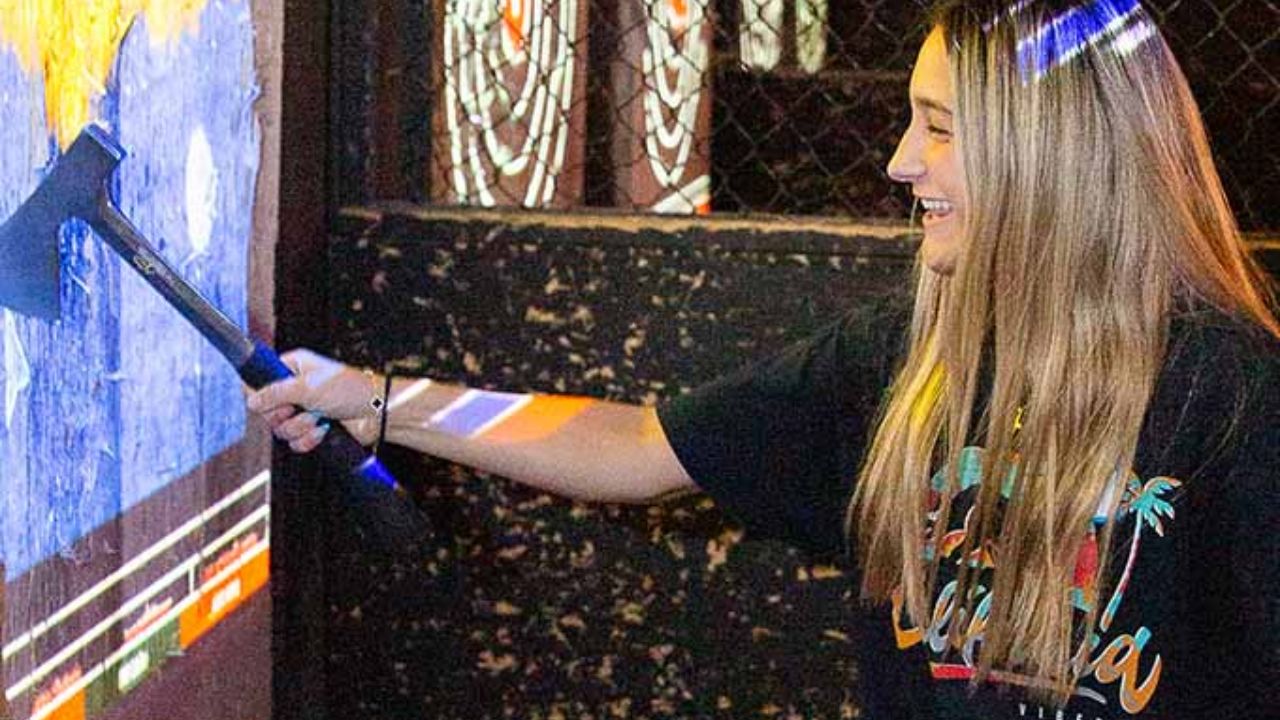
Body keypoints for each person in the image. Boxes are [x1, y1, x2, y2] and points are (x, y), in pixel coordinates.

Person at [247, 1, 1280, 717]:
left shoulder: (1233, 394)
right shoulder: (903, 357)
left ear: (1047, 155)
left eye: (938, 130)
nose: (899, 163)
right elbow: (638, 446)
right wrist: (379, 403)